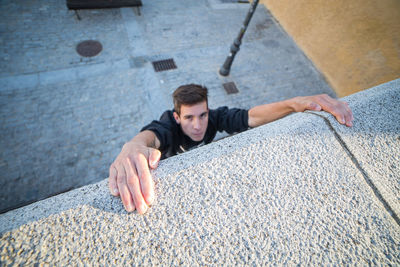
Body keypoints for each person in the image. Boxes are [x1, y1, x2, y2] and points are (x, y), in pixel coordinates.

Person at [109, 84, 353, 214]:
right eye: (189, 118)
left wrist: (293, 104)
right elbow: (149, 136)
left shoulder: (214, 118)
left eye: (202, 115)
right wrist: (134, 146)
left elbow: (251, 117)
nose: (198, 126)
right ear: (177, 117)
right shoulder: (168, 126)